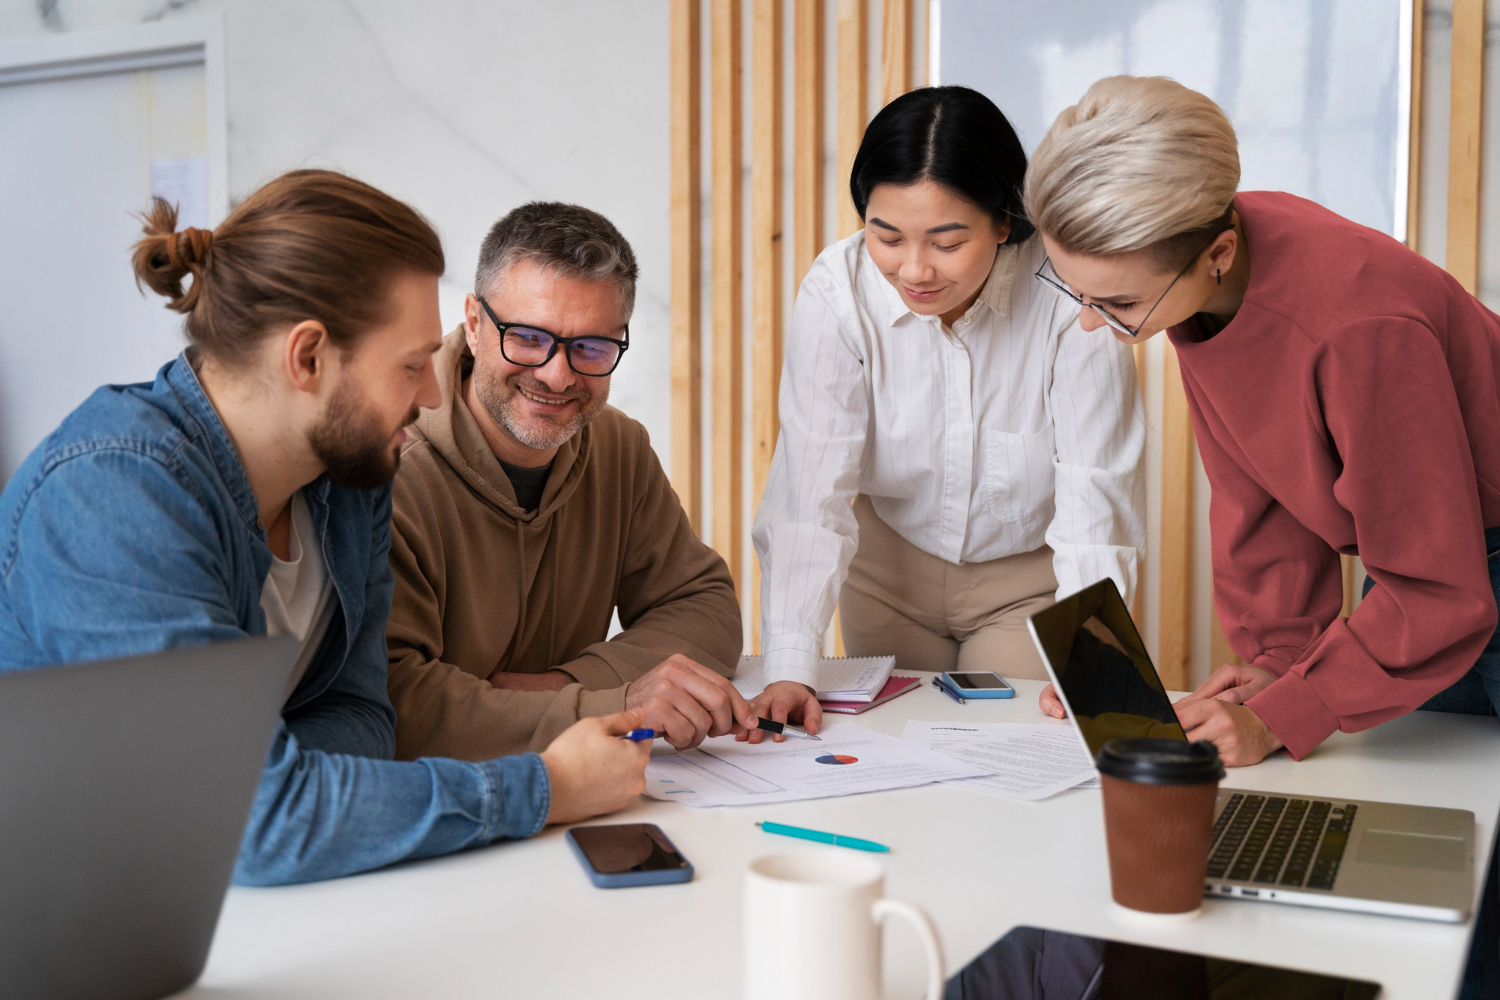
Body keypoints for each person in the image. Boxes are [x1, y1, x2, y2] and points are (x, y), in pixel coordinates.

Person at [0, 170, 650, 886]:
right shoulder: (114, 495)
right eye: (409, 366)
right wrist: (543, 788)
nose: (433, 393)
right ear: (307, 357)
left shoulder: (348, 480)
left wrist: (293, 790)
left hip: (222, 901)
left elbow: (363, 718)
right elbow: (241, 820)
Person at [1025, 74, 1500, 772]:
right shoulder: (1206, 267)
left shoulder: (1359, 326)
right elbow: (1262, 504)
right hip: (1424, 581)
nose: (1092, 322)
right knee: (1432, 811)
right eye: (1076, 291)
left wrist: (1284, 716)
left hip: (1449, 575)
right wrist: (1284, 666)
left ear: (1216, 255)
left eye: (1117, 302)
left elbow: (1438, 585)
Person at [747, 86, 1146, 740]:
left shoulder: (1068, 294)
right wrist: (790, 664)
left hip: (1025, 583)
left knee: (1019, 749)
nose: (915, 268)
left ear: (1003, 220)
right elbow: (810, 486)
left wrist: (1095, 668)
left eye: (947, 240)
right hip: (888, 574)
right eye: (887, 236)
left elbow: (1095, 485)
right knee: (891, 760)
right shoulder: (837, 292)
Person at [385, 201, 753, 758]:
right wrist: (610, 705)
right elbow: (396, 701)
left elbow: (704, 606)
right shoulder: (389, 468)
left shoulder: (618, 447)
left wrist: (564, 686)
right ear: (476, 324)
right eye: (528, 337)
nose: (557, 375)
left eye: (591, 348)